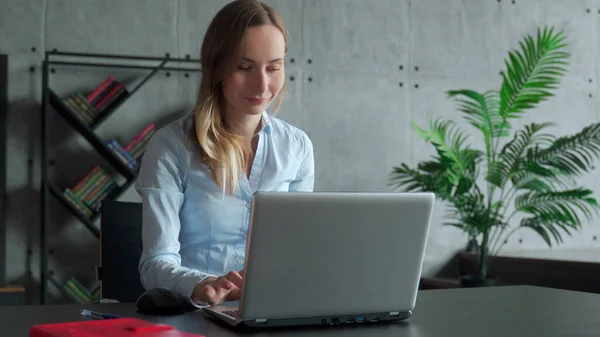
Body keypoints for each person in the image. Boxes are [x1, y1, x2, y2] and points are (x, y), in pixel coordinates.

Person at [135, 0, 314, 308]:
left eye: (274, 67)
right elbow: (154, 265)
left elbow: (295, 253)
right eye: (244, 67)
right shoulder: (170, 146)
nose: (262, 84)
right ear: (217, 67)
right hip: (196, 314)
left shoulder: (297, 147)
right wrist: (202, 284)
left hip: (272, 310)